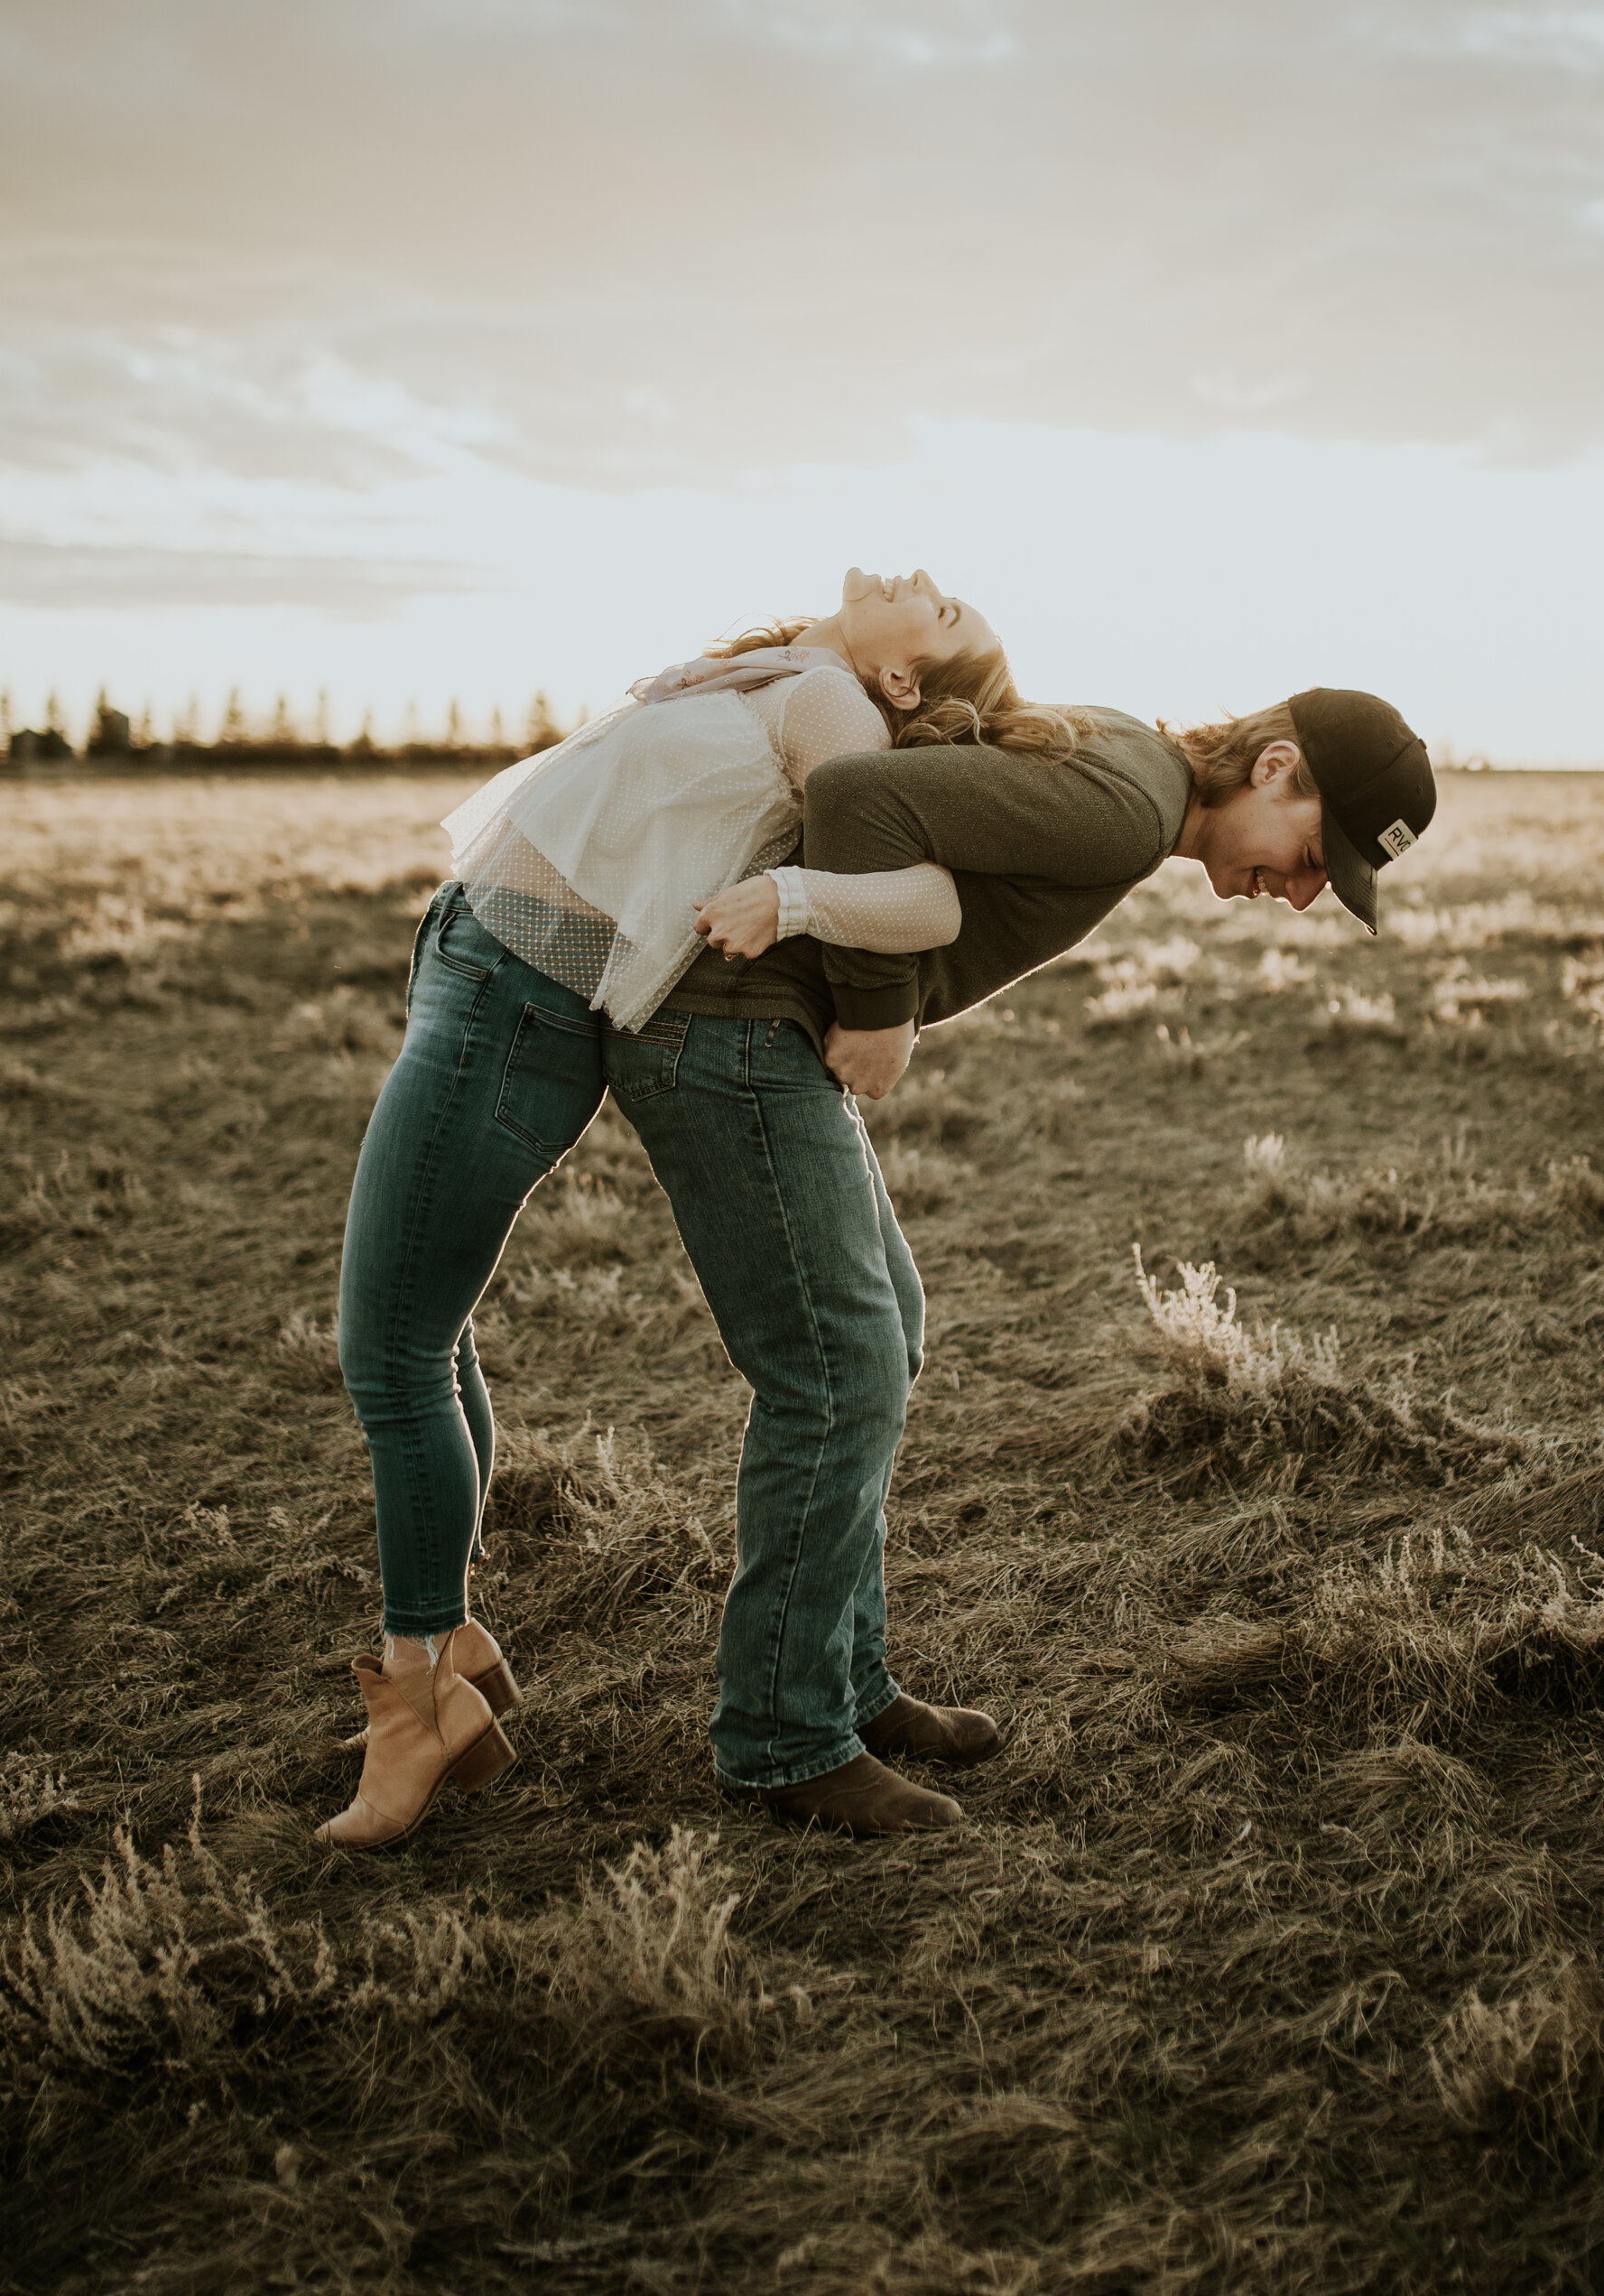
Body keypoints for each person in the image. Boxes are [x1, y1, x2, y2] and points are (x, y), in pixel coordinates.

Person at [601, 682, 1437, 1838]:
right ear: (1275, 767)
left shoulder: (1136, 779)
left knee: (885, 1330)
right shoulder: (1128, 805)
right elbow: (857, 797)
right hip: (732, 1025)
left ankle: (847, 1685)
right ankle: (781, 1738)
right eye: (1312, 855)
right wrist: (882, 1009)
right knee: (841, 1369)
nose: (1298, 895)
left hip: (758, 1029)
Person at [317, 566, 1062, 1851]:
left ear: (900, 683)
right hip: (484, 976)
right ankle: (451, 1650)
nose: (929, 585)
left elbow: (926, 895)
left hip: (512, 1006)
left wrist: (798, 904)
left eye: (941, 619)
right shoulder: (789, 672)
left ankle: (421, 1689)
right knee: (423, 1338)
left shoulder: (834, 707)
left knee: (392, 1353)